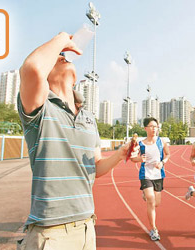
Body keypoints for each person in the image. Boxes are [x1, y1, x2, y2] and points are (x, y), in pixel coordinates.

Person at [16, 31, 133, 250]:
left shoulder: (89, 117)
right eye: (56, 57)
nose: (62, 56)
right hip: (50, 232)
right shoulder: (39, 108)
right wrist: (62, 38)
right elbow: (31, 68)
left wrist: (120, 154)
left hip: (87, 227)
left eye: (64, 56)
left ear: (76, 78)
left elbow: (96, 167)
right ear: (45, 77)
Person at [130, 117, 170, 241]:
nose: (154, 128)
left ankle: (145, 194)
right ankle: (153, 229)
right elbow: (132, 158)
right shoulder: (140, 144)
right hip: (145, 174)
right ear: (145, 128)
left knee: (156, 203)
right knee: (151, 200)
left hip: (158, 175)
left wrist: (162, 163)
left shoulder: (161, 141)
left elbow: (168, 154)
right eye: (151, 126)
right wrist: (139, 159)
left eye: (156, 126)